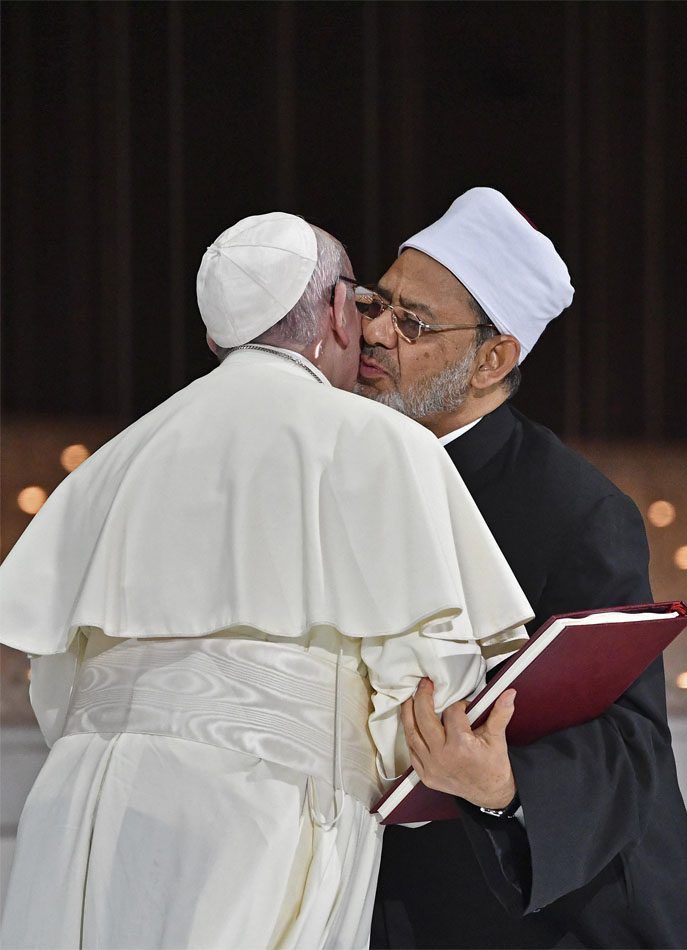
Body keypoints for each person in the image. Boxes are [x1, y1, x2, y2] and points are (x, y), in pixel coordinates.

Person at [0, 211, 534, 950]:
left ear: (220, 335)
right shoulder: (383, 443)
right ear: (337, 315)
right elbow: (424, 691)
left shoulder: (118, 457)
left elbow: (56, 679)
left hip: (83, 807)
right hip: (260, 811)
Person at [358, 188, 687, 949]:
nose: (374, 332)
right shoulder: (344, 463)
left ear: (493, 360)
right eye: (376, 303)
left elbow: (630, 744)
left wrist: (502, 784)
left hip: (550, 918)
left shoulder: (575, 511)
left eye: (410, 322)